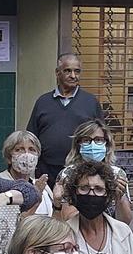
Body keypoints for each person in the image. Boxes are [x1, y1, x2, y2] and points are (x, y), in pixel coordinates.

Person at [55, 160, 133, 254]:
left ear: (108, 196)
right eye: (84, 188)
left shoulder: (122, 231)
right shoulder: (64, 234)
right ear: (74, 193)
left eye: (98, 189)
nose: (91, 194)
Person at [26, 52, 104, 183]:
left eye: (77, 71)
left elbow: (103, 137)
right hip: (47, 170)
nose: (73, 76)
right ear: (57, 73)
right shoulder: (43, 102)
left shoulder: (91, 102)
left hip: (82, 170)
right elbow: (31, 137)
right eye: (68, 71)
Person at [54, 118, 133, 225]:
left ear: (106, 144)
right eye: (86, 140)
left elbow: (125, 221)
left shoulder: (117, 174)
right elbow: (68, 217)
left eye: (98, 140)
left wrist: (119, 198)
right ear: (78, 145)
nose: (93, 145)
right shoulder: (67, 174)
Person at [0, 129, 50, 214]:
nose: (26, 154)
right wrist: (36, 197)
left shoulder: (43, 187)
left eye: (32, 149)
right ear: (9, 158)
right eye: (19, 149)